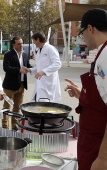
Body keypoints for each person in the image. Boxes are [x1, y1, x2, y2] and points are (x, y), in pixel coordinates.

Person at [64, 8, 107, 170]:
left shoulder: (106, 54)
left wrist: (103, 158)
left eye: (82, 33)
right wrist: (82, 95)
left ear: (90, 28)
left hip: (98, 145)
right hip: (92, 141)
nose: (83, 38)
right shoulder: (102, 52)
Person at [2, 36, 32, 130]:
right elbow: (6, 68)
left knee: (17, 108)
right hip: (9, 87)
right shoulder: (8, 54)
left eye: (22, 43)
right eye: (19, 44)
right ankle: (5, 127)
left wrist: (31, 69)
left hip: (21, 86)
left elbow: (27, 65)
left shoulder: (25, 55)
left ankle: (14, 126)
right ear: (13, 45)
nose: (21, 45)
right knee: (7, 107)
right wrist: (19, 70)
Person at [29, 32, 61, 102]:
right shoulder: (38, 51)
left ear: (38, 39)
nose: (33, 42)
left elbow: (57, 64)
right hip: (40, 83)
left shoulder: (50, 49)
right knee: (39, 104)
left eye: (33, 40)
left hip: (49, 83)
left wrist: (43, 72)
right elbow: (40, 67)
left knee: (47, 106)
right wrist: (30, 70)